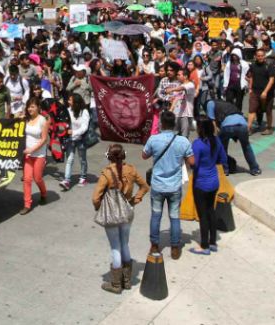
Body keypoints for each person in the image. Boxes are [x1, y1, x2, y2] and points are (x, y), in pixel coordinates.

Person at [92, 143, 150, 294]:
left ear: (109, 157)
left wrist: (99, 207)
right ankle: (127, 281)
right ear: (123, 155)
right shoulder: (131, 170)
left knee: (115, 247)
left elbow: (96, 197)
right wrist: (134, 200)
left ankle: (116, 285)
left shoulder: (106, 173)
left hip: (111, 214)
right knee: (125, 244)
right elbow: (144, 187)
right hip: (127, 211)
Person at [142, 111, 195, 259]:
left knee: (156, 216)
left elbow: (144, 155)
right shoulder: (183, 141)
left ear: (162, 124)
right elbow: (192, 162)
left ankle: (154, 245)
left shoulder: (154, 139)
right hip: (174, 186)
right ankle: (175, 247)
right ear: (174, 124)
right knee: (174, 217)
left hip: (158, 186)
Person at [188, 116, 227, 255]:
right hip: (214, 181)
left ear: (200, 128)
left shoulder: (197, 144)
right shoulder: (216, 141)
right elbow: (222, 159)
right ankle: (212, 242)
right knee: (211, 211)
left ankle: (204, 246)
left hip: (201, 183)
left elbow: (194, 163)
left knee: (202, 215)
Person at [205, 99, 261, 176]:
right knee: (246, 147)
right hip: (243, 125)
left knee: (222, 147)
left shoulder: (210, 103)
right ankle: (255, 169)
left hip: (228, 126)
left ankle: (224, 170)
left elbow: (212, 122)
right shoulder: (228, 104)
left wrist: (214, 137)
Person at [20, 97, 50, 214]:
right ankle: (27, 204)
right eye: (28, 106)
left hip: (39, 155)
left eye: (32, 106)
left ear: (38, 108)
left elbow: (44, 140)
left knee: (37, 178)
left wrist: (32, 149)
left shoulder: (43, 120)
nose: (30, 109)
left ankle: (43, 193)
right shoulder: (26, 119)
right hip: (28, 155)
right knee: (27, 179)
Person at [60, 93, 90, 191]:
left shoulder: (84, 112)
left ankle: (83, 177)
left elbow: (84, 127)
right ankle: (67, 180)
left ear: (76, 102)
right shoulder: (68, 110)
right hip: (70, 139)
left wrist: (74, 132)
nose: (68, 102)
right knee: (69, 159)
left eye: (70, 100)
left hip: (81, 139)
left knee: (82, 159)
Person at [247, 48, 275, 135]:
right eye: (258, 56)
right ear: (256, 56)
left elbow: (271, 80)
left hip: (268, 93)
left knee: (268, 111)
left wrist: (265, 92)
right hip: (255, 92)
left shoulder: (269, 66)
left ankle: (269, 128)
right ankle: (248, 128)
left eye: (262, 56)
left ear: (265, 56)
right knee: (252, 110)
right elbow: (251, 77)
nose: (260, 57)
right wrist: (250, 88)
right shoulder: (253, 66)